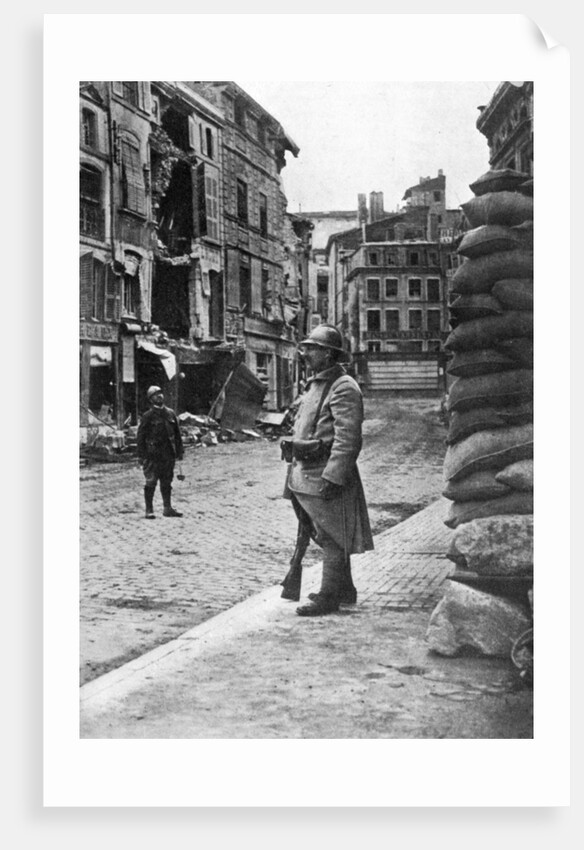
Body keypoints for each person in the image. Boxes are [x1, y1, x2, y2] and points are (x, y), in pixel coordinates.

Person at [283, 325, 373, 616]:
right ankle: (344, 589)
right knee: (327, 533)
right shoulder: (318, 384)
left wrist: (334, 476)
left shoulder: (344, 386)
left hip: (324, 475)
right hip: (306, 473)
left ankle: (328, 597)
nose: (305, 352)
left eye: (312, 348)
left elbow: (348, 439)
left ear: (328, 354)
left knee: (332, 536)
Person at [137, 386, 184, 519]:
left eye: (161, 394)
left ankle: (167, 508)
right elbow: (140, 437)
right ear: (151, 399)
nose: (160, 396)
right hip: (152, 455)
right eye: (155, 395)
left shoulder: (170, 413)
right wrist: (142, 456)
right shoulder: (147, 416)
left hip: (168, 454)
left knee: (167, 482)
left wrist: (179, 451)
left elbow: (177, 434)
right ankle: (149, 510)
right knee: (151, 482)